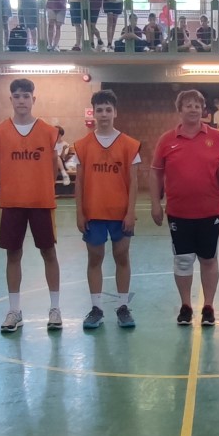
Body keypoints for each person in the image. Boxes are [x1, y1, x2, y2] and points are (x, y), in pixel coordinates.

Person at [150, 89, 219, 326]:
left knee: (208, 259)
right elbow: (155, 173)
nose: (193, 109)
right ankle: (186, 306)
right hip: (178, 212)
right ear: (180, 110)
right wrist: (155, 203)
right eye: (188, 105)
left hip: (209, 211)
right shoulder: (167, 140)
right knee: (183, 260)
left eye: (197, 105)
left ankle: (208, 306)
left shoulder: (217, 137)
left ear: (203, 110)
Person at [0, 78, 63, 333]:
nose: (21, 100)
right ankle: (14, 310)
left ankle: (55, 308)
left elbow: (52, 168)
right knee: (13, 254)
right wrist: (10, 188)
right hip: (12, 202)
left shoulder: (48, 131)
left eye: (26, 96)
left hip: (41, 202)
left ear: (33, 99)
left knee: (49, 253)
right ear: (11, 99)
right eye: (17, 96)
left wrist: (41, 186)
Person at [72, 89, 141, 329]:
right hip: (93, 212)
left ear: (115, 113)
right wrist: (79, 212)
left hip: (120, 213)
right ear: (93, 113)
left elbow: (134, 182)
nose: (103, 114)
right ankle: (96, 308)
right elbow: (79, 182)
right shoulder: (82, 145)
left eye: (108, 110)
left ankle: (122, 306)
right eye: (99, 110)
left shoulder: (129, 145)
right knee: (95, 258)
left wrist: (130, 212)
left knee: (122, 256)